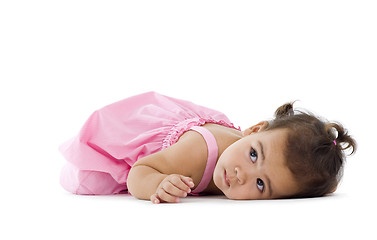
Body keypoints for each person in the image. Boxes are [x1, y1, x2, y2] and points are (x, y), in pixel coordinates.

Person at [59, 92, 356, 203]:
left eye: (262, 184)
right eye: (253, 154)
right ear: (253, 130)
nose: (241, 175)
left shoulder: (235, 168)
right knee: (84, 180)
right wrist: (156, 183)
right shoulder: (198, 152)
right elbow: (141, 170)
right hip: (140, 145)